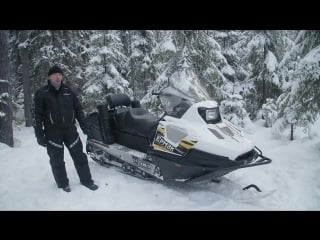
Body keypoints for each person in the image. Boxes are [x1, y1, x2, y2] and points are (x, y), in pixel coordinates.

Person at [33, 65, 98, 192]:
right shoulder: (42, 93)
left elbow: (78, 109)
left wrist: (84, 126)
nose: (58, 77)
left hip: (70, 130)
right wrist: (39, 135)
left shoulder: (68, 91)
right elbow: (37, 116)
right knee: (57, 160)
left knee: (80, 156)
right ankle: (63, 184)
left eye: (60, 74)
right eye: (55, 74)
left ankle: (87, 181)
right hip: (53, 132)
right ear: (49, 77)